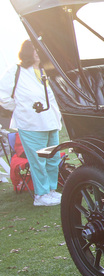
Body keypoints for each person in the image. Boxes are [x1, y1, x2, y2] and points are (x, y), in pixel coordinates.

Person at [0, 40, 63, 206]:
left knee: (52, 159)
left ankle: (51, 190)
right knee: (38, 161)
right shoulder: (16, 70)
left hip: (51, 122)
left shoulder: (45, 71)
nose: (37, 52)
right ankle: (41, 195)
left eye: (39, 49)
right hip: (31, 125)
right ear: (27, 52)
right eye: (34, 49)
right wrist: (21, 109)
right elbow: (3, 95)